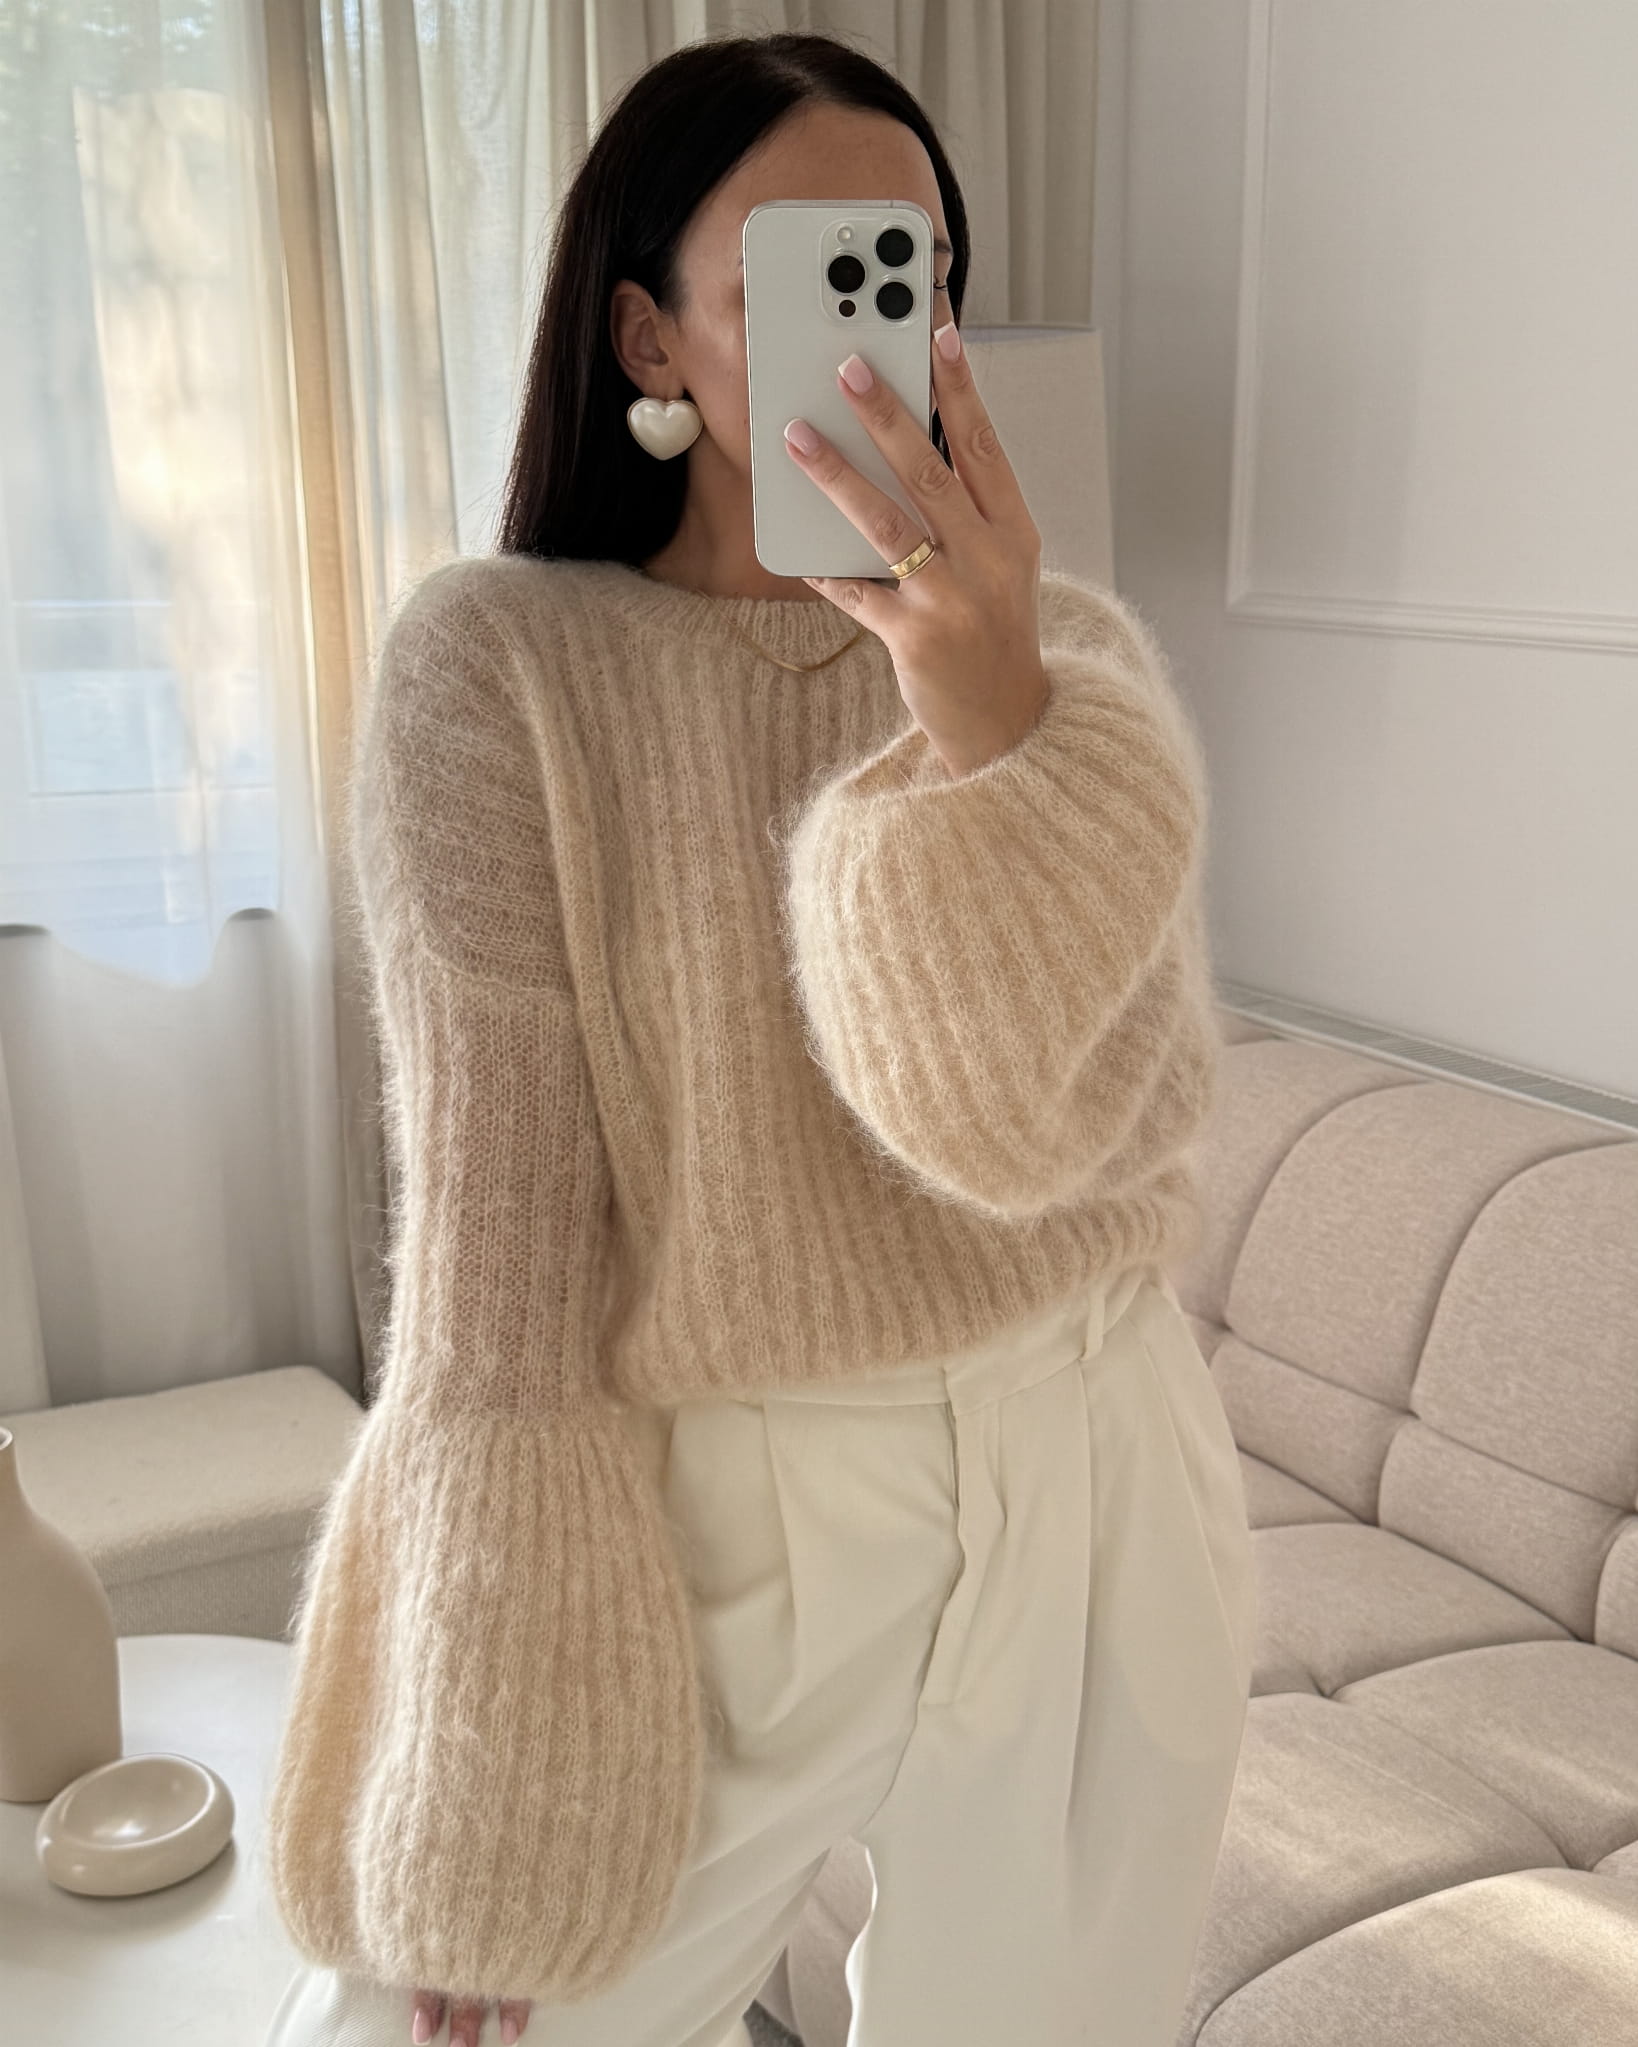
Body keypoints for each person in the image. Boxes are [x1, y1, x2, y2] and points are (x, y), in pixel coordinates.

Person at [259, 28, 1256, 2047]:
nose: (883, 340)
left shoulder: (1067, 665)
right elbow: (496, 1253)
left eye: (917, 278)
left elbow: (1040, 1135)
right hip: (739, 1501)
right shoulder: (497, 668)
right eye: (813, 279)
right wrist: (479, 1724)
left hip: (1103, 1456)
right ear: (650, 335)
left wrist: (987, 730)